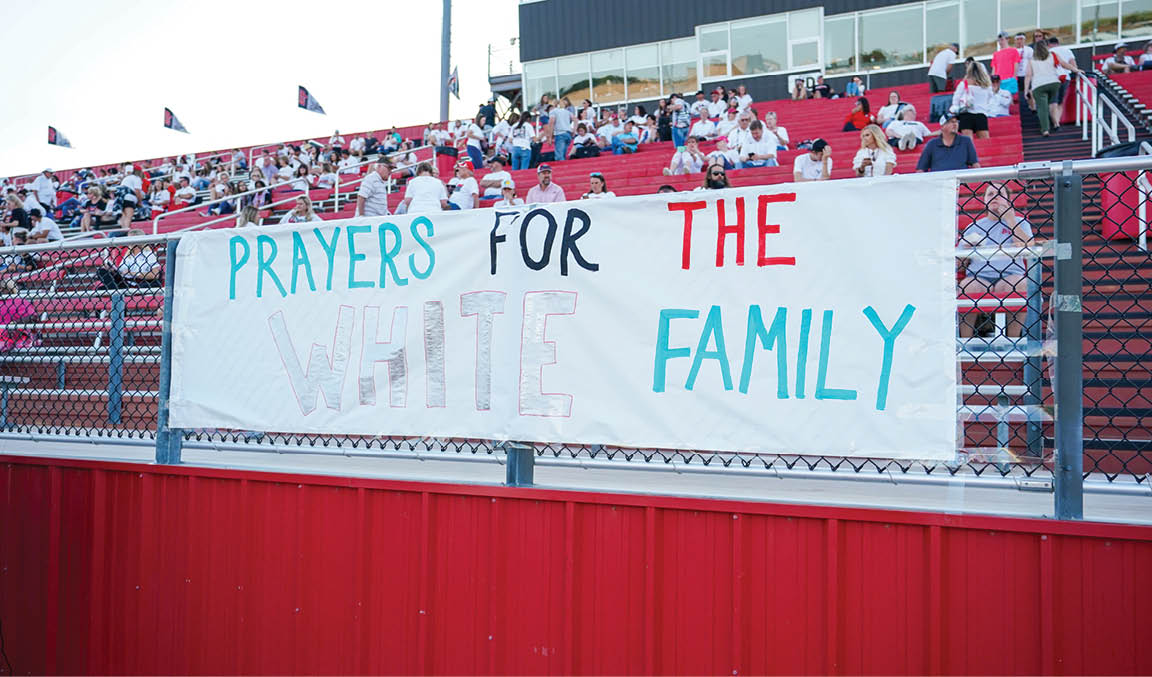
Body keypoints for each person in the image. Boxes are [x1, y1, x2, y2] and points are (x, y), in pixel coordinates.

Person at [958, 182, 1034, 338]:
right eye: (990, 194)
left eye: (1000, 194)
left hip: (1010, 274)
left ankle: (1012, 339)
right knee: (967, 286)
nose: (995, 197)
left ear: (1008, 200)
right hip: (979, 276)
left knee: (1019, 283)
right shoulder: (974, 227)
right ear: (985, 200)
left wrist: (1010, 220)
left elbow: (1029, 247)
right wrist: (965, 253)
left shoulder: (1019, 222)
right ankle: (965, 341)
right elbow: (959, 264)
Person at [97, 230, 163, 290]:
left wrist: (133, 273)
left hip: (141, 283)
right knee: (102, 272)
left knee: (105, 289)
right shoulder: (128, 254)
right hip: (125, 282)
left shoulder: (149, 254)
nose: (127, 241)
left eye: (130, 239)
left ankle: (115, 290)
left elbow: (155, 275)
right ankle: (116, 290)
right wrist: (112, 270)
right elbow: (121, 272)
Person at [1024, 40, 1062, 137]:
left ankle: (1045, 130)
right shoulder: (1053, 55)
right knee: (1053, 103)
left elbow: (1028, 75)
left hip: (1039, 86)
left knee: (1042, 108)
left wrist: (1026, 90)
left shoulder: (1031, 60)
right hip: (1054, 83)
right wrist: (1075, 69)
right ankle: (1056, 123)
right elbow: (1064, 64)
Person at [916, 115, 980, 171]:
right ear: (943, 126)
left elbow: (975, 164)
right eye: (951, 122)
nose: (955, 124)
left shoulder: (966, 141)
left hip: (960, 179)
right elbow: (921, 168)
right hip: (939, 179)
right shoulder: (932, 144)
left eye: (956, 122)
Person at [951, 60, 995, 139]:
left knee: (968, 141)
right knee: (985, 140)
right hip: (981, 114)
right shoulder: (986, 85)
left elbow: (956, 99)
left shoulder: (964, 84)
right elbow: (990, 98)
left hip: (966, 113)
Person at [1049, 36, 1081, 125]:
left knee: (1053, 102)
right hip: (1065, 77)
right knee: (1060, 101)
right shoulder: (1067, 50)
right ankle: (1058, 121)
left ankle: (1055, 122)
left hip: (1052, 78)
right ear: (1058, 43)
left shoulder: (1048, 52)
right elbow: (1073, 63)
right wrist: (1076, 71)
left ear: (1049, 45)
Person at [990, 34, 1021, 98]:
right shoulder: (996, 54)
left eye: (1002, 40)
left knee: (1011, 100)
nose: (1000, 42)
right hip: (998, 82)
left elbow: (1016, 64)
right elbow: (994, 69)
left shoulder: (1014, 51)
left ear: (1007, 39)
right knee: (999, 100)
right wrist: (992, 81)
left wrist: (1014, 78)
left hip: (1010, 80)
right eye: (999, 40)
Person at [118, 164, 144, 230]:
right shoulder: (137, 178)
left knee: (124, 216)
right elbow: (137, 191)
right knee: (128, 216)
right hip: (129, 198)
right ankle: (126, 231)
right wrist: (140, 202)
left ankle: (123, 229)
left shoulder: (126, 178)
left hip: (121, 198)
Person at [550, 98, 575, 162]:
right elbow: (576, 120)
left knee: (559, 157)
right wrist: (574, 131)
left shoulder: (553, 111)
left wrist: (550, 136)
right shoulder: (567, 111)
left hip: (560, 134)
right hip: (568, 134)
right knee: (563, 155)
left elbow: (552, 122)